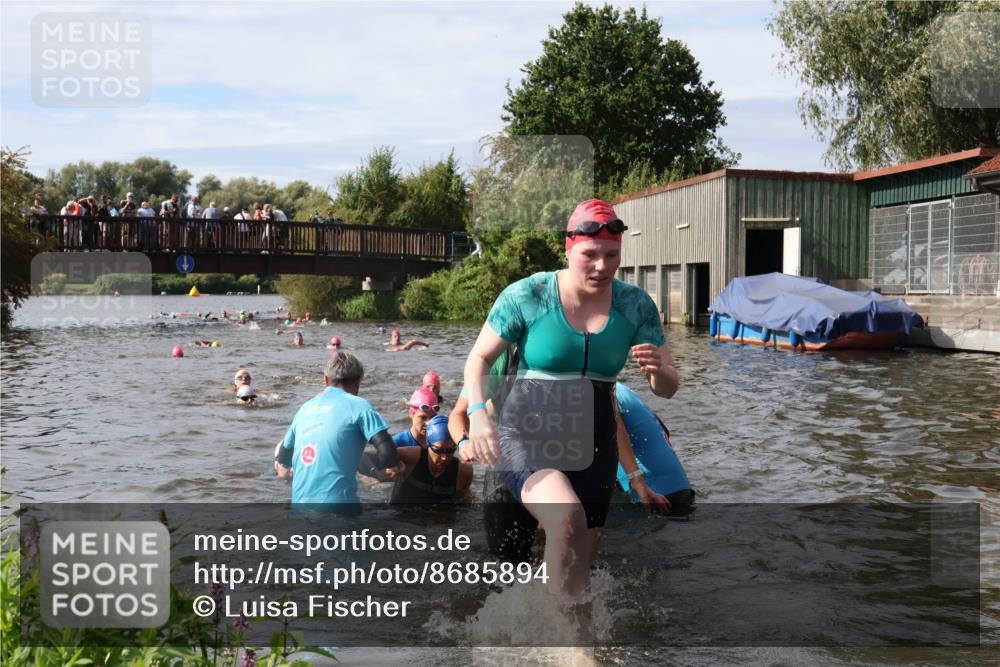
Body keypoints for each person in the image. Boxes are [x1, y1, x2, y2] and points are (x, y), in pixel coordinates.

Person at [459, 198, 678, 637]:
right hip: (527, 429)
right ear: (568, 249)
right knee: (565, 520)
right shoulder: (529, 294)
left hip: (594, 438)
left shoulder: (637, 306)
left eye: (612, 255)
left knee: (580, 559)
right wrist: (480, 418)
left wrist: (661, 371)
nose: (601, 266)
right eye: (590, 255)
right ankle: (569, 649)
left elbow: (667, 388)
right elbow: (478, 360)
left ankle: (575, 639)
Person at [274, 352, 400, 511]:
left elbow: (284, 456)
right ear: (359, 380)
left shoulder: (304, 408)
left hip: (299, 507)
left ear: (325, 380)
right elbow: (387, 451)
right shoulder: (360, 406)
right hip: (339, 509)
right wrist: (393, 467)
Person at [387, 415, 473, 504]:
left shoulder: (463, 471)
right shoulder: (410, 457)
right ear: (427, 444)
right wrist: (379, 471)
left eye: (450, 450)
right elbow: (374, 456)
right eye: (438, 450)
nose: (445, 457)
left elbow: (464, 502)